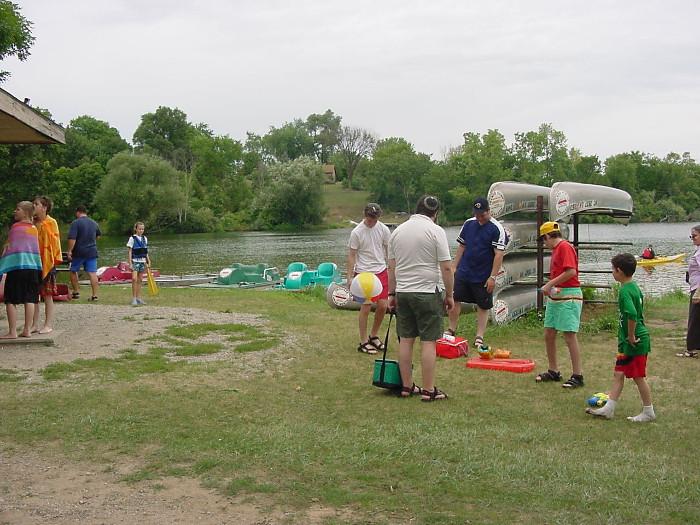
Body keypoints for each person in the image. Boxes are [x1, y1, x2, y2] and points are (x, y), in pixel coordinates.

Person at [387, 195, 454, 401]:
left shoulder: (397, 232)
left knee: (406, 340)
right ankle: (428, 389)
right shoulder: (436, 231)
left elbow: (391, 267)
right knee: (429, 341)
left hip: (403, 291)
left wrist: (391, 293)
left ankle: (407, 386)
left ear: (416, 209)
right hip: (427, 290)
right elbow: (446, 267)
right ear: (436, 213)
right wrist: (450, 295)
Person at [586, 253, 655, 422]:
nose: (612, 272)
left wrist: (631, 335)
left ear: (619, 271)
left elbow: (632, 313)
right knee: (618, 374)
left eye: (613, 269)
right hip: (626, 342)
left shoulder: (624, 290)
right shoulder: (634, 286)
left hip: (635, 341)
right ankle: (608, 409)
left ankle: (648, 412)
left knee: (638, 377)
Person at [446, 197, 507, 350]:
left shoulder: (496, 228)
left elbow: (498, 255)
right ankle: (451, 329)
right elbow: (462, 245)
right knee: (455, 298)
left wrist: (492, 277)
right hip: (465, 270)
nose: (480, 218)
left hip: (484, 274)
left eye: (483, 215)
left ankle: (479, 336)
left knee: (483, 305)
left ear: (489, 211)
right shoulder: (469, 223)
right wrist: (454, 266)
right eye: (477, 214)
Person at [535, 221, 585, 388]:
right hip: (557, 295)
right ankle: (553, 370)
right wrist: (552, 287)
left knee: (569, 335)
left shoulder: (565, 247)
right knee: (549, 332)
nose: (544, 243)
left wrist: (549, 285)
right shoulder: (557, 250)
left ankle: (578, 375)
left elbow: (571, 272)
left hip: (569, 296)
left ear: (548, 236)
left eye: (543, 240)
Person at [347, 203, 391, 354]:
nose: (372, 222)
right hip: (363, 272)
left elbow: (388, 251)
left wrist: (391, 270)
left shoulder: (384, 229)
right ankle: (363, 340)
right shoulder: (357, 232)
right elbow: (352, 255)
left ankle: (374, 335)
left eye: (375, 219)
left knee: (383, 305)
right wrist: (349, 276)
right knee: (365, 307)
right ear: (365, 216)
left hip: (380, 270)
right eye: (370, 219)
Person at [0, 202, 42, 339]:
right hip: (32, 268)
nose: (14, 211)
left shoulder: (15, 228)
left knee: (10, 299)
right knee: (29, 298)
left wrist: (3, 263)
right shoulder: (34, 229)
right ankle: (27, 330)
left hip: (17, 268)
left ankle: (12, 331)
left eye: (17, 209)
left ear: (25, 212)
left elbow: (9, 248)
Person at [31, 196, 62, 334]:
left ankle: (48, 324)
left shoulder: (51, 222)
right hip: (33, 262)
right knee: (33, 295)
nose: (33, 206)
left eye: (36, 204)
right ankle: (34, 324)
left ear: (44, 207)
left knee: (47, 294)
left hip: (47, 263)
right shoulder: (31, 223)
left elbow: (54, 243)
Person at [66, 205, 101, 301]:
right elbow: (98, 236)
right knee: (92, 273)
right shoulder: (94, 223)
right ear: (86, 212)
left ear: (78, 212)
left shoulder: (76, 223)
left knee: (73, 270)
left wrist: (69, 251)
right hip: (92, 251)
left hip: (79, 252)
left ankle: (76, 292)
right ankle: (95, 295)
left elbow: (72, 238)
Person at [678, 225, 700, 358]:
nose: (692, 238)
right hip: (695, 286)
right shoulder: (698, 250)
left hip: (698, 289)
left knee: (694, 318)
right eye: (691, 236)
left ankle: (691, 349)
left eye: (694, 236)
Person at [127, 221, 151, 306]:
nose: (141, 230)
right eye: (139, 229)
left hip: (142, 261)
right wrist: (130, 263)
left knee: (140, 280)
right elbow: (129, 251)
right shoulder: (132, 238)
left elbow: (145, 251)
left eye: (142, 229)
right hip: (135, 261)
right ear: (136, 229)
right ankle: (133, 298)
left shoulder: (145, 238)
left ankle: (138, 297)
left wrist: (148, 260)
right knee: (134, 279)